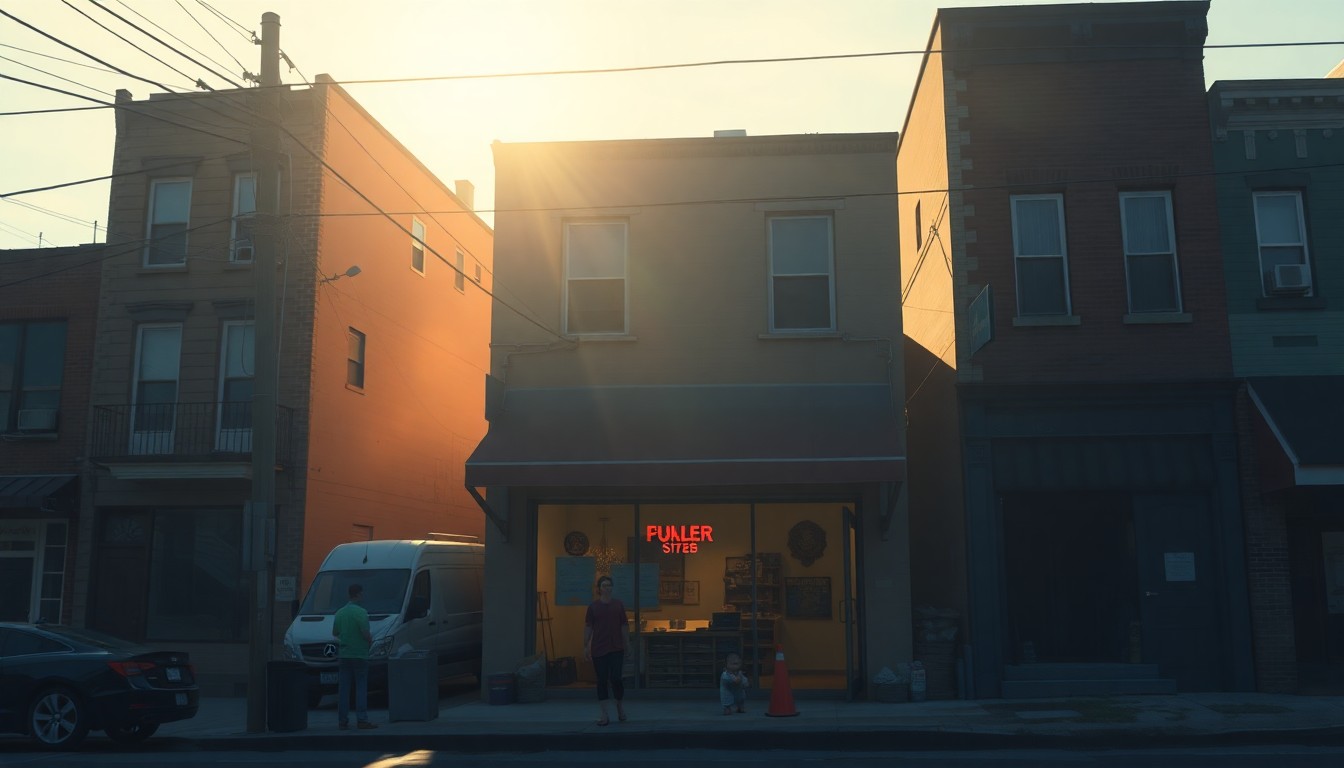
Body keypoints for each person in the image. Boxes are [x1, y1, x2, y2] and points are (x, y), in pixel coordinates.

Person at [583, 574, 630, 726]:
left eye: (609, 585)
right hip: (599, 648)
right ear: (599, 589)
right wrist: (586, 646)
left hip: (616, 647)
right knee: (602, 680)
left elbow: (624, 625)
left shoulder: (618, 605)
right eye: (604, 585)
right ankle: (604, 714)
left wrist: (627, 644)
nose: (607, 588)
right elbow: (589, 627)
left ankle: (620, 708)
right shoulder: (593, 607)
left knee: (616, 678)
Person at [332, 583, 377, 730]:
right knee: (360, 687)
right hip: (359, 654)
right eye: (361, 594)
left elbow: (336, 633)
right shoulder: (361, 613)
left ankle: (342, 720)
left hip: (344, 654)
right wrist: (370, 641)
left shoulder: (340, 613)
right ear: (358, 594)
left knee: (344, 688)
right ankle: (362, 719)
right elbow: (365, 633)